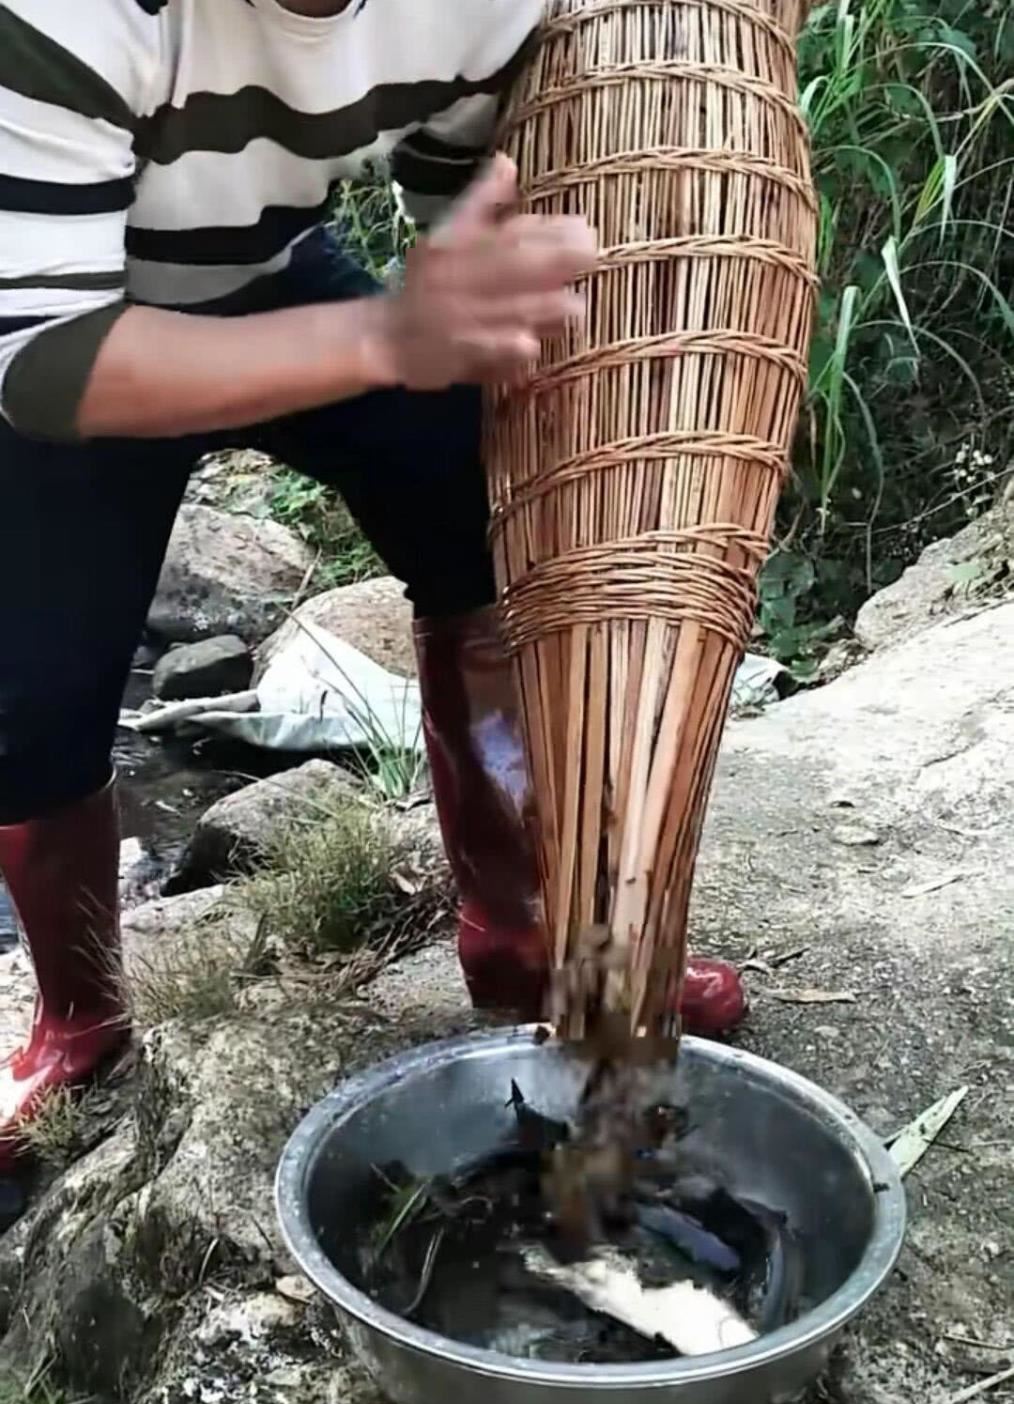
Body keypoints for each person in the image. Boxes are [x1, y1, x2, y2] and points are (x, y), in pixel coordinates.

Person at [0, 0, 746, 1157]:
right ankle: (80, 1017)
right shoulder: (69, 16)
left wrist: (500, 318)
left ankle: (522, 930)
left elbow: (461, 185)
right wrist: (389, 341)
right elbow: (40, 361)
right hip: (76, 319)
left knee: (480, 528)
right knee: (33, 698)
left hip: (276, 271)